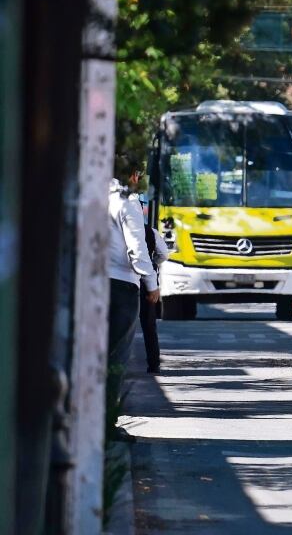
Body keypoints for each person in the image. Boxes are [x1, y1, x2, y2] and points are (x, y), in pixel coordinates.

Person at [108, 169, 160, 435]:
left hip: (89, 282)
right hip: (122, 285)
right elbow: (137, 249)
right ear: (133, 175)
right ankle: (106, 422)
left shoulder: (89, 193)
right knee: (115, 355)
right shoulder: (126, 200)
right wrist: (151, 285)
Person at [139, 198, 169, 374]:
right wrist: (153, 264)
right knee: (149, 325)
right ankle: (154, 363)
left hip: (122, 280)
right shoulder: (151, 232)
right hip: (146, 283)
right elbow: (164, 254)